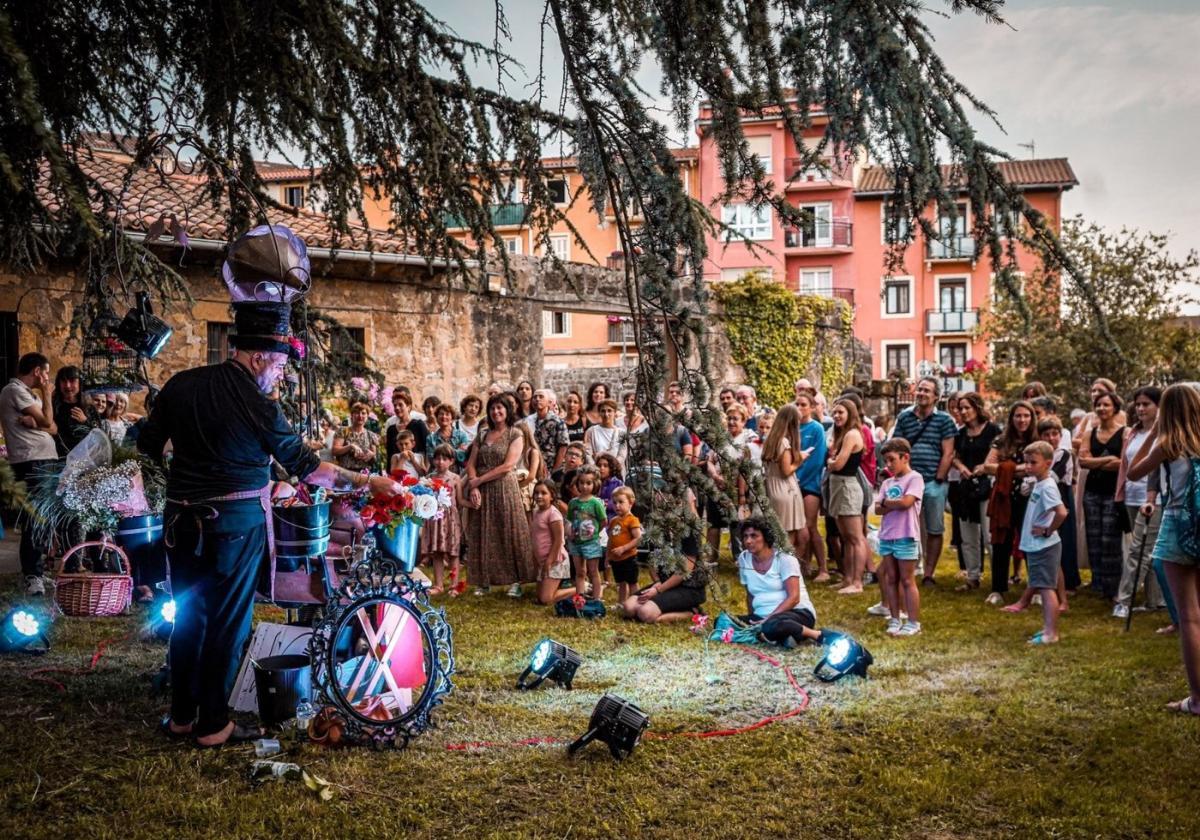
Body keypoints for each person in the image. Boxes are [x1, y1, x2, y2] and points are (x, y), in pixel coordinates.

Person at [138, 285, 404, 748]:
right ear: (259, 357)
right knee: (227, 623)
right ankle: (212, 725)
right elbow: (310, 468)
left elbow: (148, 443)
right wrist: (367, 483)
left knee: (188, 618)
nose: (279, 375)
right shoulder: (256, 403)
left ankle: (182, 716)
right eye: (279, 365)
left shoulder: (180, 385)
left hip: (180, 523)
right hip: (232, 527)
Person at [1129, 385, 1200, 701]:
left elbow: (1133, 472)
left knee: (1189, 617)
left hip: (1177, 526)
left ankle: (1198, 699)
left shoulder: (1167, 444)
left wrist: (1155, 431)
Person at [463, 394, 537, 597]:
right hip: (483, 488)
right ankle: (484, 580)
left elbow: (508, 466)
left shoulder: (516, 434)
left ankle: (516, 581)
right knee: (484, 532)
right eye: (493, 408)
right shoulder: (482, 435)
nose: (496, 412)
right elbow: (471, 464)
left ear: (507, 410)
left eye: (500, 408)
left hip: (504, 487)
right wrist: (474, 486)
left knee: (508, 530)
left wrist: (479, 480)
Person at [0, 352, 59, 595]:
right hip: (31, 461)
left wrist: (40, 422)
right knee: (35, 519)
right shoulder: (14, 390)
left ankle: (36, 569)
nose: (46, 378)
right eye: (45, 372)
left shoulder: (27, 394)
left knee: (42, 517)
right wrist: (47, 396)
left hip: (42, 460)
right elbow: (48, 420)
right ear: (36, 371)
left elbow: (53, 427)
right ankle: (32, 574)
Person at [889, 376, 956, 586]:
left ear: (936, 396)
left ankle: (929, 573)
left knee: (934, 528)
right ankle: (911, 567)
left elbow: (948, 453)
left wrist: (938, 479)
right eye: (920, 390)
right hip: (909, 481)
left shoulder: (944, 420)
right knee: (908, 527)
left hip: (933, 481)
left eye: (927, 391)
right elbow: (897, 446)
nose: (922, 394)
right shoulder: (905, 417)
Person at [1114, 386, 1166, 618]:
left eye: (1147, 404)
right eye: (1138, 404)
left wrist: (1151, 497)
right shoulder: (1132, 433)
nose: (1141, 408)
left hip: (1154, 498)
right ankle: (1155, 600)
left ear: (1159, 406)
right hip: (1132, 496)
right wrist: (1121, 492)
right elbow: (1126, 467)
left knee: (1139, 550)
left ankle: (1123, 601)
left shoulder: (1165, 433)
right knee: (1149, 549)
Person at [735, 517, 823, 647]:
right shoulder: (744, 558)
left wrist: (769, 618)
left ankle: (816, 634)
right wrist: (752, 618)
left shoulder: (785, 558)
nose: (748, 541)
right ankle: (784, 637)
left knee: (773, 625)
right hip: (761, 617)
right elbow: (750, 594)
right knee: (723, 621)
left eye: (754, 536)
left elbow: (794, 598)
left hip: (796, 613)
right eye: (745, 536)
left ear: (766, 538)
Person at [981, 401, 1036, 605]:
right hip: (1005, 497)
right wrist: (1020, 469)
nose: (1022, 420)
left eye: (1026, 416)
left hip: (1030, 497)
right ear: (1012, 418)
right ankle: (998, 589)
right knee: (1001, 541)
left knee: (1032, 542)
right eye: (1018, 416)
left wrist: (1007, 468)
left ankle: (1037, 588)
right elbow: (988, 466)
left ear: (1032, 418)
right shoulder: (1002, 441)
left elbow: (1040, 467)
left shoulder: (1037, 441)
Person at [1019, 441, 1069, 645]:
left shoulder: (1048, 486)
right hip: (1037, 544)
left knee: (1047, 588)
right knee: (1043, 586)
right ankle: (1048, 627)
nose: (1028, 467)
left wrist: (1048, 530)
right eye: (1026, 462)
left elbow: (1062, 512)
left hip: (1044, 545)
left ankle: (1051, 633)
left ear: (1048, 463)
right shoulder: (1039, 483)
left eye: (1033, 463)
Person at [875, 438, 924, 637]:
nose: (888, 465)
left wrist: (888, 502)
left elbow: (907, 502)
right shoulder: (887, 482)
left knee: (907, 579)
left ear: (905, 457)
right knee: (891, 578)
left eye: (892, 460)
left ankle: (913, 622)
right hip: (887, 536)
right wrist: (890, 503)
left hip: (906, 535)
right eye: (885, 461)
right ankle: (895, 618)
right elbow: (878, 509)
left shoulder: (915, 479)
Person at [951, 393, 1000, 591]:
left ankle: (998, 577)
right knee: (967, 534)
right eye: (960, 408)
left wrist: (986, 466)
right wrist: (960, 466)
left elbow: (1000, 451)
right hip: (966, 485)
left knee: (989, 535)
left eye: (967, 407)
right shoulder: (961, 433)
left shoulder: (992, 430)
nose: (963, 411)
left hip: (987, 485)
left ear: (977, 408)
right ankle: (972, 576)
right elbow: (955, 456)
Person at [1079, 390, 1125, 600]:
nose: (1102, 409)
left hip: (1112, 492)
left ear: (1115, 407)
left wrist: (1096, 462)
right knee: (1094, 537)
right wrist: (1108, 460)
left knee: (1110, 539)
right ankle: (1097, 582)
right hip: (1092, 492)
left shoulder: (1125, 432)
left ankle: (1113, 585)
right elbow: (1083, 462)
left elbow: (1122, 463)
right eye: (1098, 405)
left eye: (1106, 405)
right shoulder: (1090, 432)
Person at [827, 398, 867, 594]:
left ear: (850, 413)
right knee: (846, 538)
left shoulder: (852, 434)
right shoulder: (842, 434)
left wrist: (831, 462)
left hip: (847, 486)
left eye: (840, 412)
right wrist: (832, 462)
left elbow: (838, 464)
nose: (836, 416)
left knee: (855, 537)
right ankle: (847, 579)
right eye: (834, 412)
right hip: (839, 486)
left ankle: (857, 582)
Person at [761, 403, 807, 556]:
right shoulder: (784, 442)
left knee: (775, 535)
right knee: (787, 538)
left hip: (772, 489)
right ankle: (783, 571)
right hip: (785, 490)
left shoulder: (770, 440)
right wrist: (800, 461)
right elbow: (786, 470)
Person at [794, 389, 828, 580]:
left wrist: (799, 476)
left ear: (812, 407)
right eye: (797, 405)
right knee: (798, 528)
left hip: (809, 484)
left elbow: (817, 459)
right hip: (792, 482)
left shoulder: (816, 429)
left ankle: (823, 568)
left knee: (811, 526)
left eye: (803, 405)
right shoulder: (792, 427)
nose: (799, 408)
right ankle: (803, 566)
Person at [419, 445, 461, 594]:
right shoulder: (429, 478)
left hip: (450, 519)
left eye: (444, 459)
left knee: (453, 552)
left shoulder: (455, 478)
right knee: (437, 552)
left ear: (451, 461)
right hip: (435, 519)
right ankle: (438, 585)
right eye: (437, 458)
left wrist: (472, 505)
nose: (440, 462)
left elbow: (460, 501)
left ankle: (454, 585)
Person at [531, 480, 576, 605]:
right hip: (542, 560)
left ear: (552, 496)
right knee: (540, 598)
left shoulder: (553, 514)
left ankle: (580, 589)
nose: (539, 496)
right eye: (536, 493)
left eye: (543, 493)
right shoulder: (536, 512)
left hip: (555, 561)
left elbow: (558, 540)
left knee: (546, 599)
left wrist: (549, 562)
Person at [567, 467, 608, 600]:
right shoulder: (573, 503)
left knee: (593, 572)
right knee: (580, 572)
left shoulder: (596, 503)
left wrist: (594, 533)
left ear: (594, 484)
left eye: (588, 483)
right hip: (575, 543)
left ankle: (596, 599)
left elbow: (603, 521)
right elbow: (570, 521)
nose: (584, 486)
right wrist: (571, 533)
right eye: (582, 483)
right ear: (577, 483)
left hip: (591, 543)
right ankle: (580, 598)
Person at [606, 486, 643, 605]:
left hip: (629, 558)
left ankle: (635, 602)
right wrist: (608, 556)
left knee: (632, 582)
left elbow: (638, 538)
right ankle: (621, 603)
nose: (617, 506)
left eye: (621, 502)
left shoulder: (632, 520)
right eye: (615, 502)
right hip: (616, 559)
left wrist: (623, 548)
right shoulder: (613, 521)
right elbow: (610, 540)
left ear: (631, 502)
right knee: (621, 582)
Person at [51, 365, 97, 455]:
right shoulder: (53, 406)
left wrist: (85, 421)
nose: (68, 386)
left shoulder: (89, 408)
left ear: (80, 383)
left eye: (72, 381)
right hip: (58, 458)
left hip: (85, 458)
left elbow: (99, 435)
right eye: (64, 381)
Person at [528, 388, 569, 472]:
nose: (537, 399)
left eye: (541, 397)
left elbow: (563, 447)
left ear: (549, 402)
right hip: (531, 466)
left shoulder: (558, 422)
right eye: (535, 397)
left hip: (550, 467)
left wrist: (555, 470)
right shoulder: (528, 420)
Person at [334, 399, 380, 472]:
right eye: (357, 413)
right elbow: (335, 450)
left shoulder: (371, 435)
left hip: (364, 474)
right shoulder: (343, 431)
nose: (360, 416)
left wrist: (371, 455)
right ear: (352, 415)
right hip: (346, 473)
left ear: (367, 416)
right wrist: (350, 446)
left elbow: (375, 457)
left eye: (363, 413)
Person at [386, 390, 428, 463]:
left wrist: (425, 470)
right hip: (397, 470)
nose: (397, 408)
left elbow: (427, 449)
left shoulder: (419, 425)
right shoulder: (391, 429)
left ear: (408, 406)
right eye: (395, 405)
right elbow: (389, 454)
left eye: (400, 405)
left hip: (416, 470)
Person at [426, 402, 471, 470]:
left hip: (458, 475)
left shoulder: (462, 435)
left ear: (452, 418)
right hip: (437, 475)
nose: (444, 416)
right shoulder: (431, 438)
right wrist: (456, 451)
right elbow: (432, 459)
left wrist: (440, 454)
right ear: (437, 417)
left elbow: (463, 456)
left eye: (447, 414)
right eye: (441, 414)